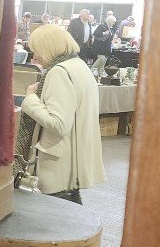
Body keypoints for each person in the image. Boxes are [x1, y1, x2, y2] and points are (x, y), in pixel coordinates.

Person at [14, 24, 106, 203]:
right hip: (73, 165)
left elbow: (59, 124)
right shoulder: (79, 66)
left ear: (48, 48)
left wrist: (30, 99)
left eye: (37, 50)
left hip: (57, 168)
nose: (35, 57)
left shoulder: (59, 72)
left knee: (54, 222)